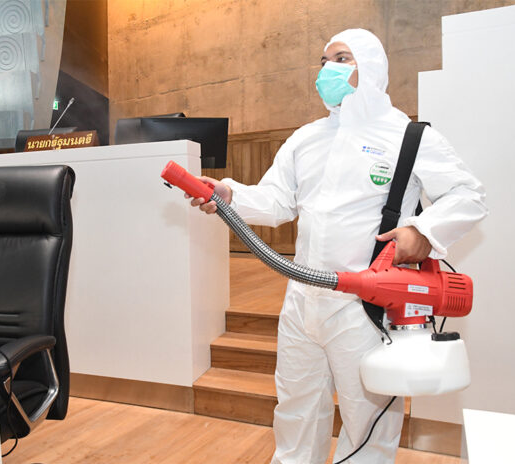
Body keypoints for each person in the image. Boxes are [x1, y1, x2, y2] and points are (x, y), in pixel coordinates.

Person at [188, 29, 488, 463]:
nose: (327, 70)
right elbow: (277, 201)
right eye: (324, 61)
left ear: (371, 69)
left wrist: (423, 232)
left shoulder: (408, 136)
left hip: (363, 306)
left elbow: (468, 194)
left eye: (342, 58)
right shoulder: (306, 139)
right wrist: (231, 195)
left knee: (366, 420)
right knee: (295, 409)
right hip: (302, 301)